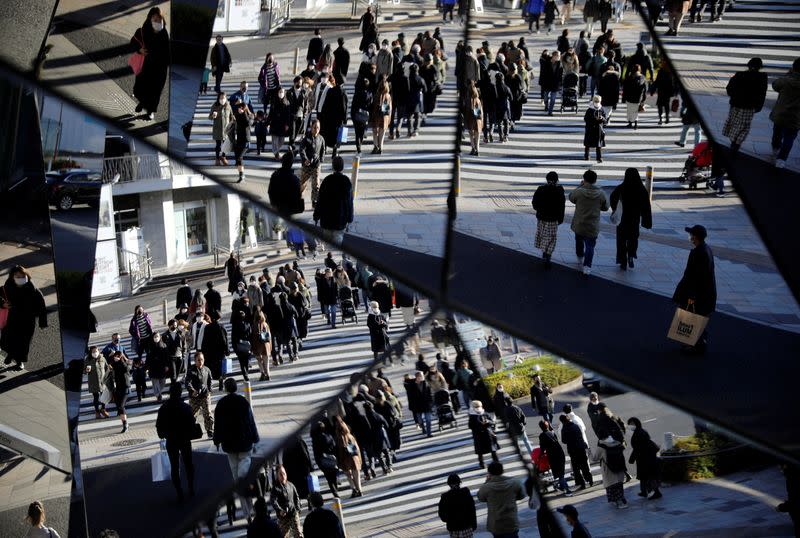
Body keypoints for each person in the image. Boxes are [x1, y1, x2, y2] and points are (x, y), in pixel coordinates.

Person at [215, 378, 259, 521]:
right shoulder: (242, 402)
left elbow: (218, 425)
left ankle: (247, 512)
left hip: (229, 445)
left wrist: (216, 440)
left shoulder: (221, 404)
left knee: (237, 479)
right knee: (243, 476)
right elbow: (251, 421)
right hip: (245, 443)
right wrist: (255, 438)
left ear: (226, 389)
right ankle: (251, 508)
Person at [672, 224, 717, 353]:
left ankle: (694, 345)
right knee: (697, 318)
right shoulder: (706, 249)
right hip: (705, 294)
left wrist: (691, 297)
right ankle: (697, 342)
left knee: (692, 317)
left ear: (695, 237)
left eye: (691, 234)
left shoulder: (699, 253)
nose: (690, 237)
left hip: (698, 295)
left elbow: (696, 278)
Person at [156, 383, 197, 501]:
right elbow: (192, 424)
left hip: (171, 440)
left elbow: (159, 426)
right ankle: (191, 487)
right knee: (188, 464)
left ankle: (179, 492)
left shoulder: (164, 408)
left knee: (174, 466)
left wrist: (164, 434)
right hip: (184, 439)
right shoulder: (186, 407)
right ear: (180, 393)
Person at [0, 266, 46, 370]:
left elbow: (41, 306)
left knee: (23, 343)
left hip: (27, 321)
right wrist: (3, 304)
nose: (20, 278)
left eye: (22, 276)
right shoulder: (7, 287)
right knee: (9, 340)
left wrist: (42, 322)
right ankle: (10, 355)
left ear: (27, 276)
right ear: (12, 277)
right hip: (11, 319)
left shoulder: (33, 290)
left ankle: (19, 362)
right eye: (17, 276)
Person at [130, 7, 169, 121]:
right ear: (150, 19)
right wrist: (139, 50)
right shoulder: (143, 30)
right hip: (145, 66)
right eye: (154, 19)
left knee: (154, 92)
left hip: (159, 69)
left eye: (159, 20)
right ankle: (142, 102)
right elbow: (133, 42)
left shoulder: (164, 34)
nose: (157, 22)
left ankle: (150, 111)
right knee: (139, 89)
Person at [722, 57, 768, 156]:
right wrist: (759, 106)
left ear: (749, 65)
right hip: (750, 106)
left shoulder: (740, 74)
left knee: (734, 122)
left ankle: (732, 142)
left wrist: (733, 96)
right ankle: (736, 145)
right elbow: (762, 94)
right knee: (744, 126)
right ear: (760, 67)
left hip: (736, 104)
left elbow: (729, 88)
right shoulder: (762, 77)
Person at [610, 168, 653, 271]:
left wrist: (615, 209)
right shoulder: (641, 189)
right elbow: (646, 206)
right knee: (633, 238)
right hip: (634, 219)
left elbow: (612, 199)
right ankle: (631, 255)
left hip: (622, 219)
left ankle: (623, 261)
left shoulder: (621, 188)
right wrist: (645, 219)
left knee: (621, 240)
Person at [569, 169, 609, 276]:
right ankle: (587, 266)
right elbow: (606, 207)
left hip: (580, 223)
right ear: (595, 181)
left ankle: (580, 256)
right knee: (590, 245)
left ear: (584, 179)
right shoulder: (601, 194)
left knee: (579, 239)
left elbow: (571, 197)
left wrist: (580, 186)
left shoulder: (579, 191)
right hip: (592, 225)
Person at [477, 461, 526, 538]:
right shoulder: (515, 482)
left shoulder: (486, 487)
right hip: (511, 521)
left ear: (489, 473)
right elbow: (522, 495)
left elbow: (480, 498)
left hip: (496, 524)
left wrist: (487, 481)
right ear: (502, 471)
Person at [313, 156, 353, 245]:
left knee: (327, 242)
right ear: (342, 167)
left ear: (333, 166)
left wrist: (316, 216)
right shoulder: (346, 181)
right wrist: (349, 219)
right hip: (340, 219)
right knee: (337, 242)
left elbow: (320, 200)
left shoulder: (327, 180)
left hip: (326, 219)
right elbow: (349, 203)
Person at [770, 57, 800, 169]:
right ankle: (781, 160)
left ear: (793, 67)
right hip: (796, 117)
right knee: (790, 138)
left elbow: (775, 85)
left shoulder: (786, 80)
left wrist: (788, 75)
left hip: (780, 114)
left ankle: (775, 149)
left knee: (777, 132)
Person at [627, 417, 663, 499]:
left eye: (632, 424)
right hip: (646, 457)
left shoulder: (638, 434)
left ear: (637, 423)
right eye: (629, 424)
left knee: (649, 476)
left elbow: (638, 448)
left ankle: (656, 492)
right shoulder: (641, 431)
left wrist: (631, 459)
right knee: (644, 476)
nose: (630, 426)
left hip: (645, 458)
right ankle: (644, 491)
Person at [438, 473, 478, 538]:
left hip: (454, 528)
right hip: (466, 526)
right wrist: (474, 524)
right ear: (459, 482)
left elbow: (442, 515)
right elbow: (472, 510)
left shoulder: (445, 497)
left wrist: (449, 520)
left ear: (449, 484)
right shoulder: (466, 493)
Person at [539, 420, 572, 495]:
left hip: (553, 456)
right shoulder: (552, 433)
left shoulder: (542, 435)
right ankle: (562, 487)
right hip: (560, 453)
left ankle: (567, 490)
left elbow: (542, 448)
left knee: (560, 475)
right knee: (561, 474)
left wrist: (540, 456)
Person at [186, 352, 214, 438]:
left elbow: (210, 381)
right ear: (195, 361)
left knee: (208, 414)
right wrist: (192, 391)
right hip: (194, 397)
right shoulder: (191, 371)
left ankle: (210, 430)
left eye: (202, 359)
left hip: (205, 396)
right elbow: (188, 383)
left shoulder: (207, 370)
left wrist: (209, 391)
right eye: (198, 360)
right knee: (192, 415)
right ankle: (190, 431)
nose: (200, 362)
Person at [560, 414, 592, 489]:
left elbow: (564, 441)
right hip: (581, 448)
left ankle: (582, 483)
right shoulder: (575, 426)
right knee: (584, 465)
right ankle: (589, 479)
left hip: (573, 450)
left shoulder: (564, 429)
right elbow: (580, 435)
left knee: (576, 468)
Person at [299, 119, 326, 207]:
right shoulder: (306, 138)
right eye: (315, 127)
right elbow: (301, 149)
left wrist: (321, 159)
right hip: (307, 165)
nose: (316, 129)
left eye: (318, 128)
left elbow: (323, 150)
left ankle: (314, 201)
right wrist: (305, 159)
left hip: (316, 165)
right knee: (303, 183)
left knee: (316, 184)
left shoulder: (321, 138)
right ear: (311, 128)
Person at [596, 435, 629, 508]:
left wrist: (588, 451)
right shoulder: (617, 443)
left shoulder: (601, 446)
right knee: (619, 485)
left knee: (612, 486)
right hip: (619, 468)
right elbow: (624, 447)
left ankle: (618, 502)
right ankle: (622, 499)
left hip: (609, 470)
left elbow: (595, 458)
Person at [334, 417, 363, 497]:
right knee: (357, 476)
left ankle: (353, 489)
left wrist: (339, 461)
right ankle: (359, 490)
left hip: (345, 459)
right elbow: (357, 448)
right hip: (354, 457)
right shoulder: (350, 436)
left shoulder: (338, 439)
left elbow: (339, 451)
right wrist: (359, 458)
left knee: (349, 476)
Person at [105, 350, 132, 433]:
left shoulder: (126, 363)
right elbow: (107, 364)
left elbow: (126, 369)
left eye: (118, 356)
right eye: (115, 356)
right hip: (118, 388)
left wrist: (122, 359)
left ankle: (125, 424)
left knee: (121, 405)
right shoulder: (114, 364)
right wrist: (110, 356)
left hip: (125, 387)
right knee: (118, 407)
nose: (116, 357)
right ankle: (124, 424)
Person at [310, 420, 339, 497]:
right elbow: (334, 446)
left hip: (322, 460)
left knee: (328, 477)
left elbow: (315, 452)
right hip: (331, 458)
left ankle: (334, 491)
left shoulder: (315, 439)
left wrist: (318, 462)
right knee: (333, 475)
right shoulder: (328, 436)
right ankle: (335, 488)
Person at [468, 401, 499, 469]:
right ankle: (482, 464)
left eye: (478, 407)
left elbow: (492, 421)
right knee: (481, 451)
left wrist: (488, 422)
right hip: (479, 435)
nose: (478, 408)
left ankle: (496, 462)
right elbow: (471, 426)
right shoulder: (472, 416)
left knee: (492, 449)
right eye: (476, 407)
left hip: (487, 434)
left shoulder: (484, 413)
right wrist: (479, 424)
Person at [266, 87, 292, 161]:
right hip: (274, 123)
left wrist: (287, 124)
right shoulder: (274, 102)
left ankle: (276, 150)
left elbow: (288, 115)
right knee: (275, 140)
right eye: (279, 92)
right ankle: (276, 153)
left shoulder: (287, 102)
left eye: (282, 92)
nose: (281, 94)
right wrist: (267, 123)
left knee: (281, 141)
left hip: (282, 124)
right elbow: (270, 113)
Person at [84, 346, 110, 419]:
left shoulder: (102, 358)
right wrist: (86, 370)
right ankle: (97, 412)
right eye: (93, 351)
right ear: (90, 352)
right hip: (93, 381)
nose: (95, 353)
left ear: (98, 351)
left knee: (104, 396)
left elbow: (107, 368)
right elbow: (83, 369)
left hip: (102, 380)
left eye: (96, 351)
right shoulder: (88, 359)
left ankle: (103, 409)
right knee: (96, 397)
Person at [408, 370, 434, 437]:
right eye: (421, 376)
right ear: (417, 377)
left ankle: (429, 433)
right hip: (417, 405)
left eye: (423, 376)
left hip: (426, 404)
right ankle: (423, 428)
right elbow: (410, 397)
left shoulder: (426, 383)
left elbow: (430, 393)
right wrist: (411, 406)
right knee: (420, 420)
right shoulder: (412, 385)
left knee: (428, 419)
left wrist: (431, 402)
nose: (423, 377)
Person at [622, 63, 647, 129]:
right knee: (636, 111)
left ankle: (630, 123)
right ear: (639, 70)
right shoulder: (642, 77)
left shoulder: (629, 77)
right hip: (638, 98)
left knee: (629, 110)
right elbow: (645, 89)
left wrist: (623, 98)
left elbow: (625, 88)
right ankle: (635, 124)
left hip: (629, 97)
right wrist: (644, 99)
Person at [583, 95, 607, 162]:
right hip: (590, 129)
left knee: (598, 145)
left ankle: (599, 158)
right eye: (596, 101)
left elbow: (605, 120)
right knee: (588, 144)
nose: (597, 103)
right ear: (593, 101)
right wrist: (594, 119)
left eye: (598, 101)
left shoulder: (601, 109)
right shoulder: (590, 109)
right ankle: (586, 155)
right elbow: (585, 119)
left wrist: (602, 118)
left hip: (598, 130)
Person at [540, 51, 563, 115]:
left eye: (559, 56)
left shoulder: (560, 64)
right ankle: (546, 105)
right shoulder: (547, 62)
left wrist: (560, 83)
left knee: (553, 99)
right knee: (545, 97)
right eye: (558, 56)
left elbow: (561, 74)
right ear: (554, 56)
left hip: (555, 84)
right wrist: (542, 82)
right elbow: (543, 73)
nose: (559, 57)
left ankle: (550, 111)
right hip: (547, 83)